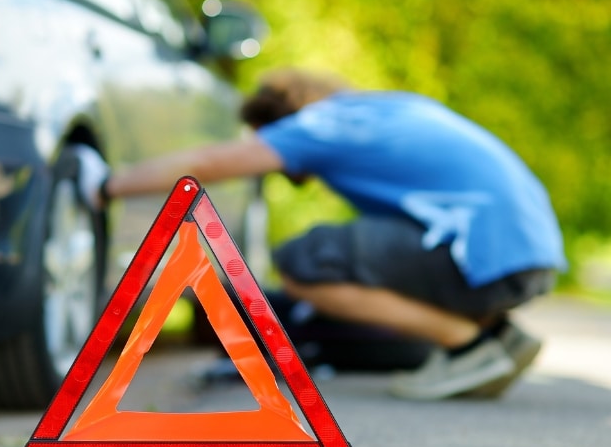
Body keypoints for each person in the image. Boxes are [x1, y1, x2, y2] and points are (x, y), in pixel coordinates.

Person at [76, 68, 566, 400]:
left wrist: (109, 185)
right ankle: (497, 338)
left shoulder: (318, 125)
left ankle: (468, 348)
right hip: (527, 252)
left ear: (278, 121)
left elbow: (207, 164)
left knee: (305, 260)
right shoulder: (389, 107)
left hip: (488, 253)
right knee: (361, 249)